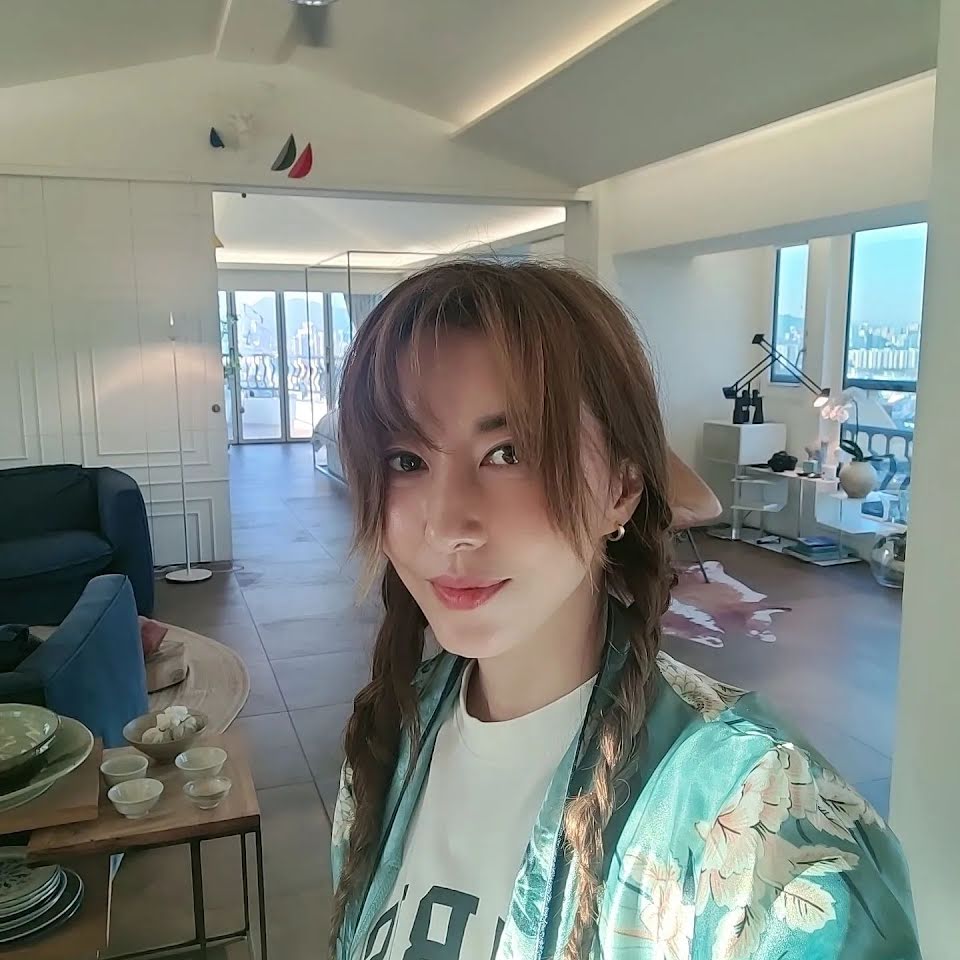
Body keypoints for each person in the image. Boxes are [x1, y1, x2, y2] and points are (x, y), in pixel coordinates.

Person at [329, 262, 919, 960]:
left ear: (622, 487)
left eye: (508, 453)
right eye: (405, 461)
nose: (448, 525)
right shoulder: (389, 736)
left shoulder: (757, 822)